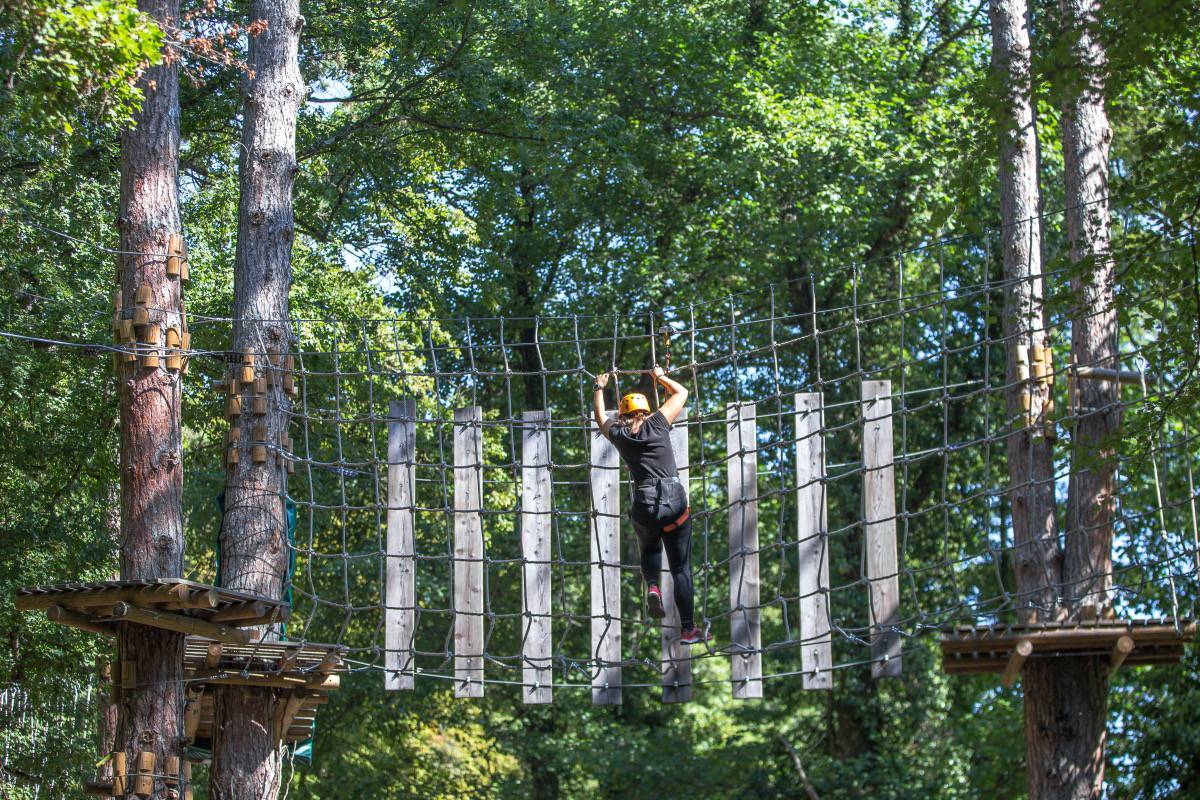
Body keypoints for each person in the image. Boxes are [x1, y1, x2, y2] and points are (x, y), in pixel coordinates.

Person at [592, 366, 711, 645]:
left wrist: (600, 387)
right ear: (647, 410)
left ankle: (653, 586)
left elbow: (600, 417)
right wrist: (660, 377)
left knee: (649, 547)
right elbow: (681, 392)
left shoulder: (621, 435)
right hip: (674, 502)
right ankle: (688, 629)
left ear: (622, 415)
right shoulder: (658, 422)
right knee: (681, 568)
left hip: (644, 504)